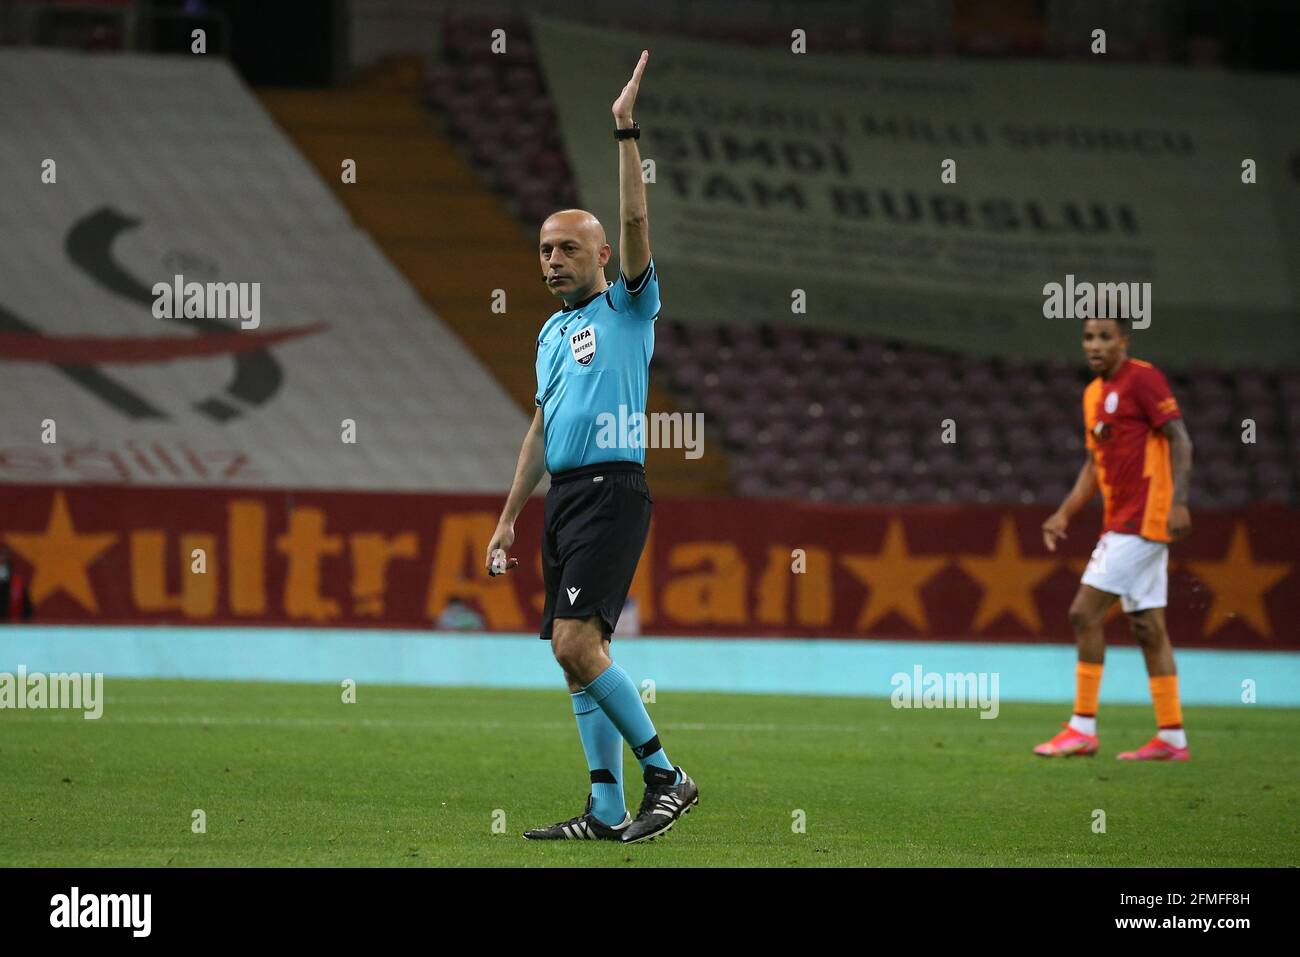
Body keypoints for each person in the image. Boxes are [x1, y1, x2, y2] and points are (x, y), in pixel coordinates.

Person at [484, 50, 699, 843]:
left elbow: (639, 219)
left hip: (614, 487)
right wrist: (508, 517)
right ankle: (606, 807)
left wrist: (624, 130)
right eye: (544, 249)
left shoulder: (627, 309)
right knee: (573, 654)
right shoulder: (549, 331)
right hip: (566, 495)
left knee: (578, 641)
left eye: (567, 248)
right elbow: (540, 427)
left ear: (603, 256)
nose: (551, 259)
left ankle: (667, 776)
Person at [1037, 314, 1195, 760]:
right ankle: (1172, 736)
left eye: (1105, 337)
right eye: (1088, 337)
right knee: (1148, 626)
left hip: (1144, 519)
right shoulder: (1092, 396)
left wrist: (1179, 501)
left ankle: (1083, 728)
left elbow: (1180, 439)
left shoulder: (1142, 379)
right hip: (1123, 519)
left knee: (1083, 613)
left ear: (1123, 340)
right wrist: (1064, 513)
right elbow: (1094, 464)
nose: (1095, 345)